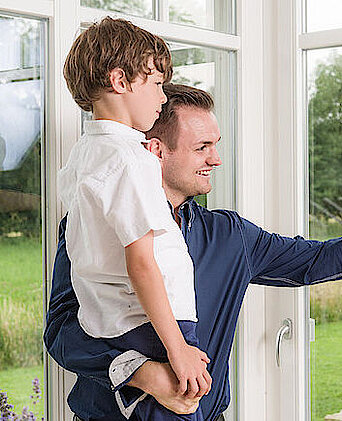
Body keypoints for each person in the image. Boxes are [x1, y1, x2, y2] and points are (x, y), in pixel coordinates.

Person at [44, 83, 342, 421]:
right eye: (202, 147)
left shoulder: (229, 235)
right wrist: (141, 371)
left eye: (217, 144)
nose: (216, 159)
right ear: (156, 150)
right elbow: (62, 332)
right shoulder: (91, 225)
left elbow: (316, 259)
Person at [57, 17, 211, 421]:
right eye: (156, 84)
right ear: (120, 80)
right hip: (150, 327)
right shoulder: (132, 158)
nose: (162, 98)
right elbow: (141, 262)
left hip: (109, 323)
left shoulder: (83, 157)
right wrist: (177, 348)